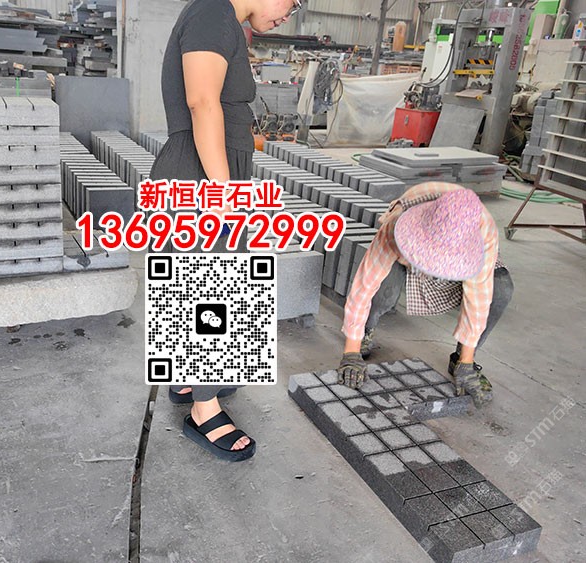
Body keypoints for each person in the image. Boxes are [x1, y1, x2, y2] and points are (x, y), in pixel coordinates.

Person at [150, 0, 302, 461]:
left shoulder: (221, 20)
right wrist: (224, 194)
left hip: (204, 172)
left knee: (195, 288)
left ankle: (188, 380)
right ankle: (204, 410)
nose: (290, 13)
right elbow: (201, 101)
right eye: (292, 1)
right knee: (214, 293)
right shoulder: (213, 12)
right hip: (201, 176)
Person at [335, 183, 514, 407]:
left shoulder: (483, 232)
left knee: (501, 289)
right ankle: (364, 333)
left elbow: (478, 299)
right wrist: (351, 351)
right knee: (384, 290)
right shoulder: (398, 224)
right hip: (413, 236)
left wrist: (467, 363)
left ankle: (462, 358)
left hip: (468, 246)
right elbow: (364, 285)